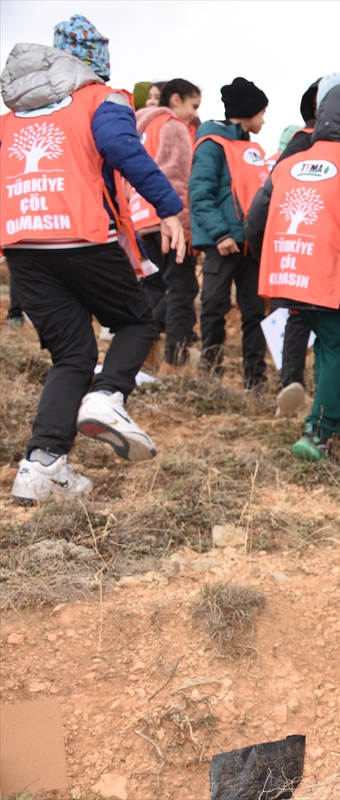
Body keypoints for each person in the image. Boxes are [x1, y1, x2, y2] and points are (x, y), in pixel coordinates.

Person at [2, 15, 186, 503]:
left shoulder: (12, 119)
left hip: (22, 242)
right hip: (81, 234)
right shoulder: (102, 98)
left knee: (74, 354)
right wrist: (168, 208)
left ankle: (42, 465)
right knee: (137, 323)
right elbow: (120, 146)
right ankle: (106, 398)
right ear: (95, 60)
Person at [246, 82, 340, 461]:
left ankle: (328, 413)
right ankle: (318, 432)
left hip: (292, 269)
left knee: (328, 348)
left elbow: (256, 215)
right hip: (332, 272)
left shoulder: (292, 159)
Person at [190, 77, 270, 390]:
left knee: (254, 313)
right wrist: (220, 234)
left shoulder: (251, 148)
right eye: (262, 112)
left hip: (250, 245)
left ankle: (256, 381)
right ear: (247, 112)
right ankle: (210, 377)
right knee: (213, 307)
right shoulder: (211, 143)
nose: (264, 119)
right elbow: (200, 192)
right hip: (221, 243)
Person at [130, 77, 202, 366]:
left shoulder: (141, 126)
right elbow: (175, 177)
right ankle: (176, 357)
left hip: (140, 215)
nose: (195, 113)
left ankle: (142, 348)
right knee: (183, 288)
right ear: (175, 100)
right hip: (166, 216)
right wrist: (181, 224)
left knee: (154, 286)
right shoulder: (173, 126)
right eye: (193, 105)